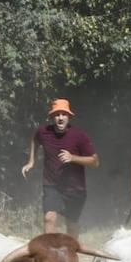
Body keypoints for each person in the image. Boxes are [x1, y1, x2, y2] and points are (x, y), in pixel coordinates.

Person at [22, 98, 98, 239]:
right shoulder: (43, 132)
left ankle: (73, 255)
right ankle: (50, 257)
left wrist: (73, 158)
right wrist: (31, 162)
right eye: (57, 115)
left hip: (75, 188)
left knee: (71, 224)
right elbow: (35, 139)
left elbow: (95, 161)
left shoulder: (79, 136)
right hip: (52, 185)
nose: (60, 118)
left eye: (64, 114)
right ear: (52, 117)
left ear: (69, 117)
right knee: (49, 218)